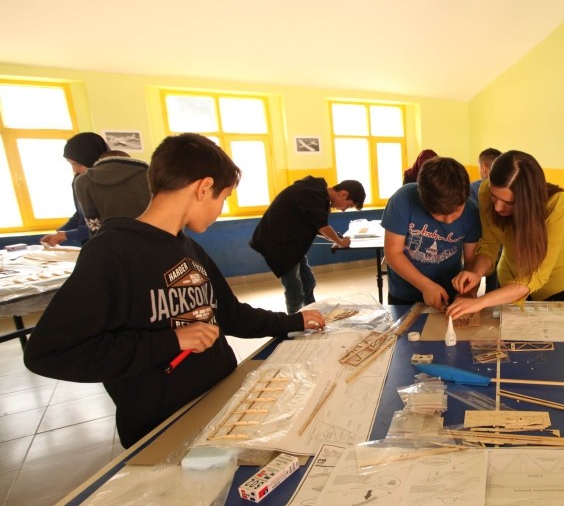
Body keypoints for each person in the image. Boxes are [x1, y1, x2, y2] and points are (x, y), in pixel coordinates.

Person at [23, 133, 326, 448]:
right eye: (223, 198)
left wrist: (293, 322)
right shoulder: (111, 253)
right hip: (161, 425)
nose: (221, 209)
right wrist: (171, 340)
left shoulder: (189, 247)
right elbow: (50, 353)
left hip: (217, 405)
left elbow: (230, 315)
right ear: (203, 187)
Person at [447, 150, 564, 319]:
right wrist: (476, 273)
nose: (497, 208)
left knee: (549, 335)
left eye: (508, 202)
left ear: (527, 200)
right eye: (495, 197)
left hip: (556, 281)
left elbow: (536, 276)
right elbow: (489, 246)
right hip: (511, 273)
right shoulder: (485, 192)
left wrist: (480, 302)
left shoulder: (555, 205)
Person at [250, 176, 366, 313]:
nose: (343, 210)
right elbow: (322, 226)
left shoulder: (319, 196)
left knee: (308, 282)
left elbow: (315, 225)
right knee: (294, 288)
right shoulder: (312, 194)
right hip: (279, 245)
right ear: (343, 194)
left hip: (292, 245)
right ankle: (294, 323)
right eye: (348, 205)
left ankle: (312, 313)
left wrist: (336, 238)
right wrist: (340, 242)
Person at [381, 156, 481, 311]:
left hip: (450, 291)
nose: (448, 220)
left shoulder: (472, 211)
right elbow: (393, 253)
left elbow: (471, 261)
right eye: (439, 214)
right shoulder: (403, 200)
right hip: (404, 293)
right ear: (423, 200)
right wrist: (425, 285)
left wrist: (468, 292)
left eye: (456, 211)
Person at [40, 132, 109, 246]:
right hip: (91, 244)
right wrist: (60, 232)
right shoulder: (79, 180)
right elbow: (81, 214)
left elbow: (103, 223)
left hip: (109, 244)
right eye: (71, 164)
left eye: (78, 164)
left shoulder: (108, 183)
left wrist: (68, 234)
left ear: (92, 158)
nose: (75, 169)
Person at [74, 150, 151, 233]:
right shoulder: (150, 175)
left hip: (109, 238)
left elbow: (92, 221)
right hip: (148, 236)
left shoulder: (83, 181)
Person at [469, 147, 503, 292]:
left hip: (478, 244)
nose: (498, 208)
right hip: (495, 248)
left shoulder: (472, 188)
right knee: (494, 283)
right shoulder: (479, 189)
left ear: (483, 168)